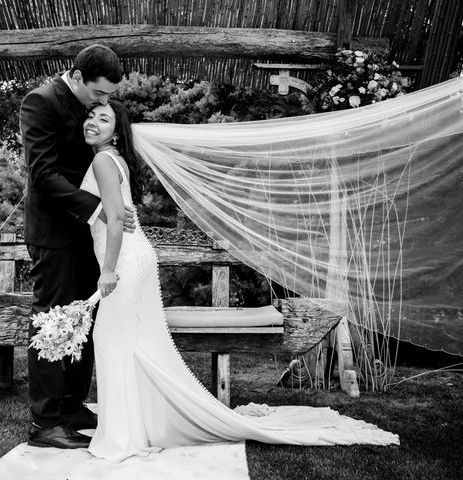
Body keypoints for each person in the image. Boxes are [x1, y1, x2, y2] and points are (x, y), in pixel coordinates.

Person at [79, 100, 399, 463]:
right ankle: (132, 427)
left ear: (118, 133)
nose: (92, 122)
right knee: (126, 344)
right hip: (133, 259)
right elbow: (116, 214)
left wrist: (107, 271)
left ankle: (121, 436)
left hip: (123, 263)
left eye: (103, 118)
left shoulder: (103, 161)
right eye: (90, 115)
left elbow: (117, 221)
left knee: (112, 340)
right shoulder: (114, 160)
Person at [20, 44, 135, 450]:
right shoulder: (41, 102)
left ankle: (71, 404)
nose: (105, 102)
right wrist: (99, 209)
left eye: (108, 96)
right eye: (99, 94)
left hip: (87, 234)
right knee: (52, 319)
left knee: (84, 319)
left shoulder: (90, 107)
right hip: (54, 232)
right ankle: (44, 421)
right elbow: (44, 174)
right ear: (78, 76)